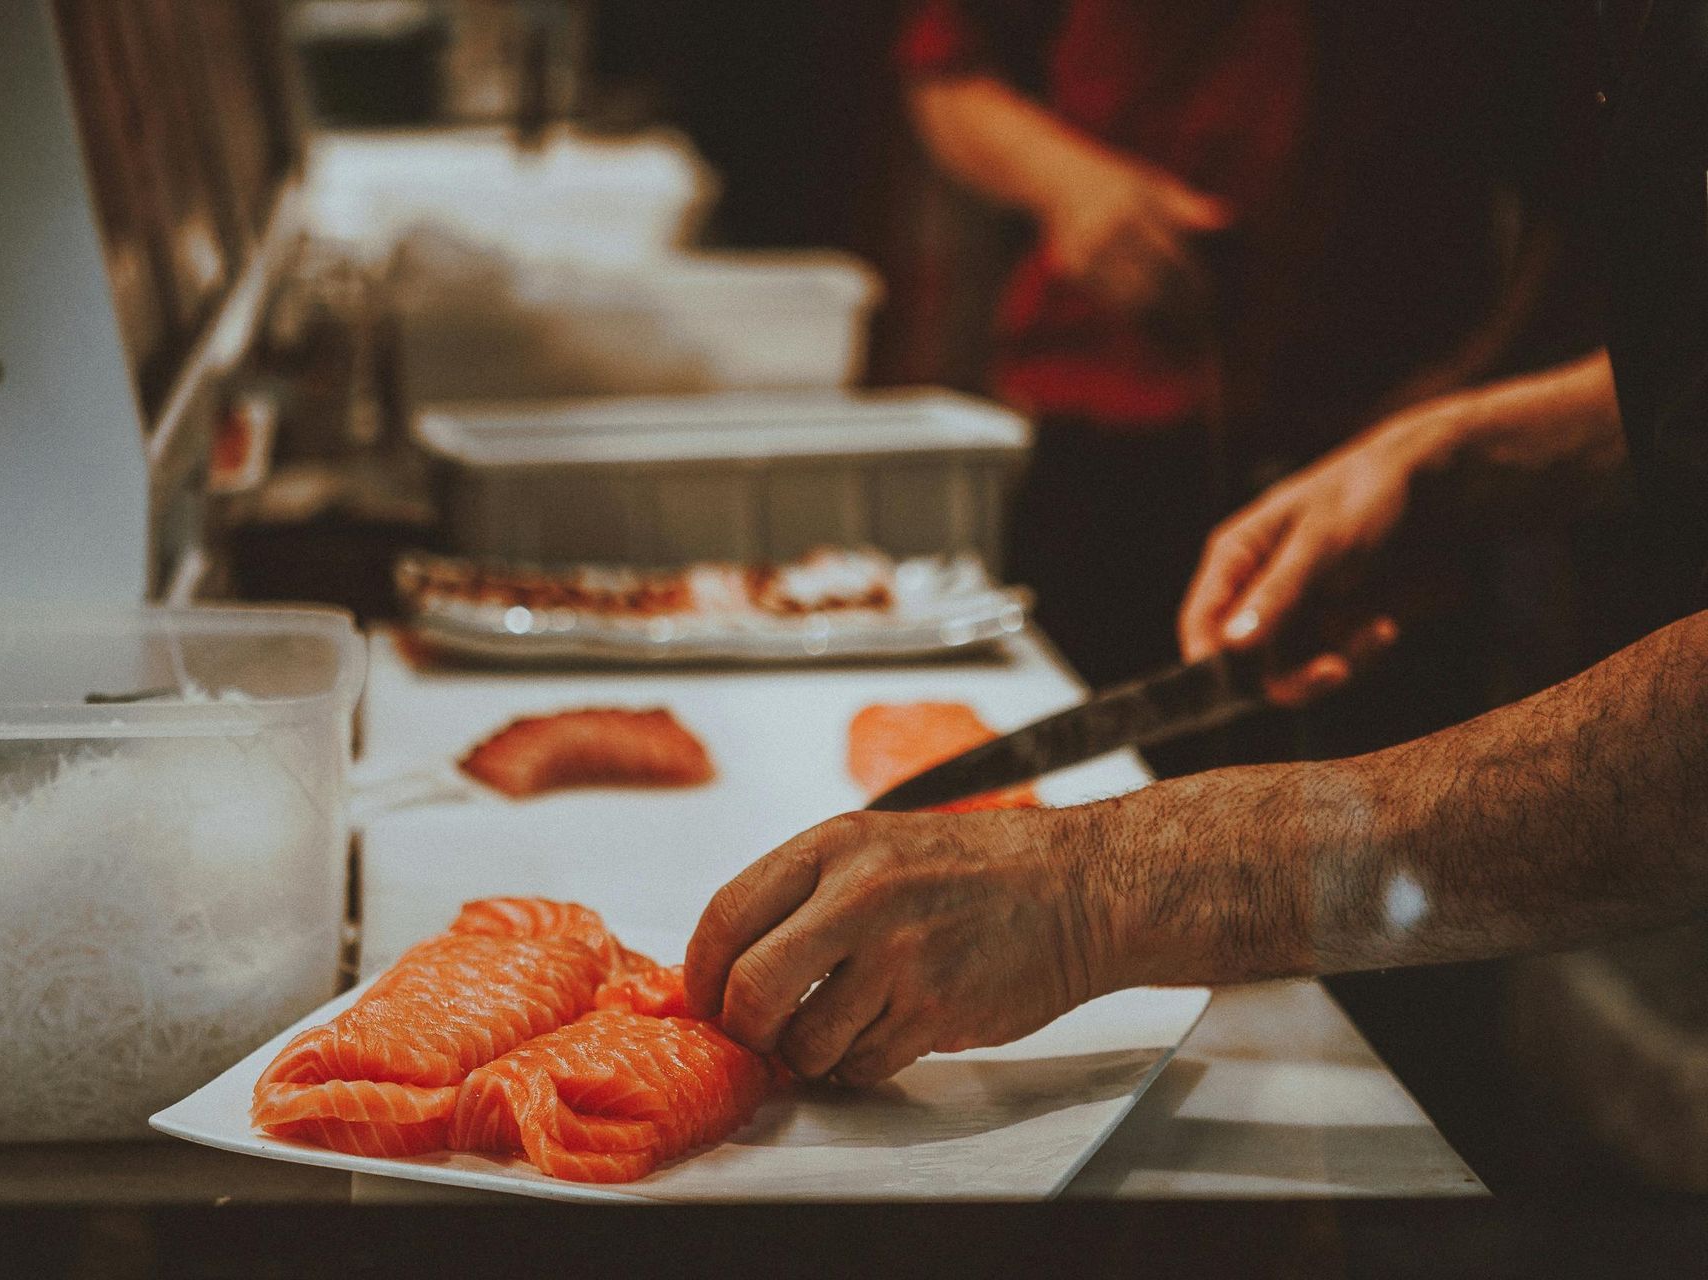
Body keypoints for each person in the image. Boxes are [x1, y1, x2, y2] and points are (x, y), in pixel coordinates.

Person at [682, 0, 1706, 1090]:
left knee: (1400, 1070)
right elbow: (949, 64)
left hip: (1379, 474)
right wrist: (1466, 446)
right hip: (1156, 466)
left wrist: (1089, 893)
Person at [900, 0, 1599, 702]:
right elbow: (946, 68)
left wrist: (1468, 398)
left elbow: (1577, 177)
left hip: (1404, 459)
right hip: (1112, 441)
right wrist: (1069, 183)